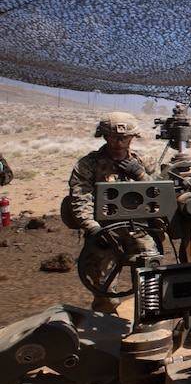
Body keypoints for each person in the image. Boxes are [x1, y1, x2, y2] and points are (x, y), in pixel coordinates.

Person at [68, 111, 159, 314]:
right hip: (103, 234)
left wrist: (141, 176)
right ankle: (106, 327)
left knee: (150, 285)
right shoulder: (87, 165)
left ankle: (147, 325)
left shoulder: (144, 162)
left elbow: (162, 193)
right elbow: (81, 198)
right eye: (113, 137)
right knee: (103, 290)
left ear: (133, 137)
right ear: (104, 135)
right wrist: (92, 228)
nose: (119, 142)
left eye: (124, 137)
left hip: (140, 230)